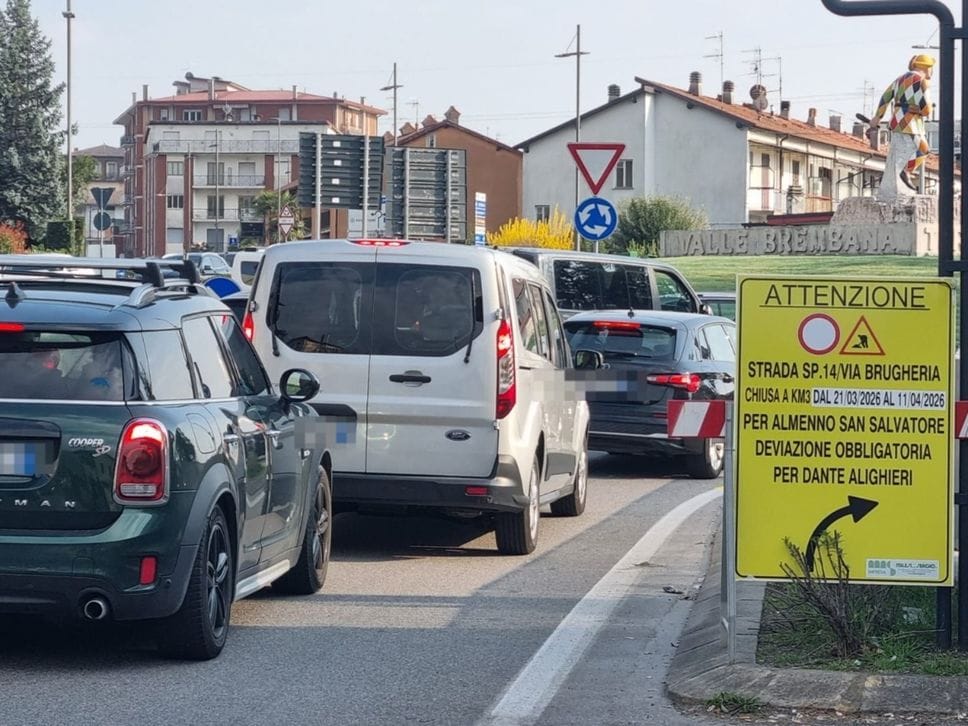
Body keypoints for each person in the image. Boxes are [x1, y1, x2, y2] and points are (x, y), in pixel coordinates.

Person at [869, 54, 935, 198]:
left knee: (901, 152)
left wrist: (878, 116)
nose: (932, 71)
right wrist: (917, 109)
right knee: (924, 150)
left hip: (896, 120)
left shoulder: (900, 79)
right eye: (931, 68)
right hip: (911, 123)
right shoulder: (922, 81)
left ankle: (895, 179)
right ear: (926, 67)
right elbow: (927, 110)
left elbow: (886, 97)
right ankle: (906, 171)